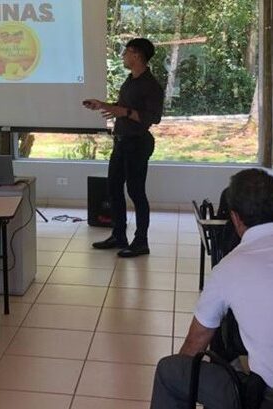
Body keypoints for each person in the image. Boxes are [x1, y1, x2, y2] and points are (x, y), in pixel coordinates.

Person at [150, 168, 273, 409]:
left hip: (265, 398)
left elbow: (196, 343)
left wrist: (186, 373)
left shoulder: (229, 268)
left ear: (235, 218)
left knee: (171, 371)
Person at [83, 38, 164, 257]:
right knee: (114, 188)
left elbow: (152, 118)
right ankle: (119, 235)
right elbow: (124, 108)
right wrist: (103, 105)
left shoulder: (151, 85)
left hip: (137, 143)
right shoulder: (130, 80)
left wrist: (124, 112)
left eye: (126, 52)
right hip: (121, 142)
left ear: (137, 55)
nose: (123, 56)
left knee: (136, 193)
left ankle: (141, 242)